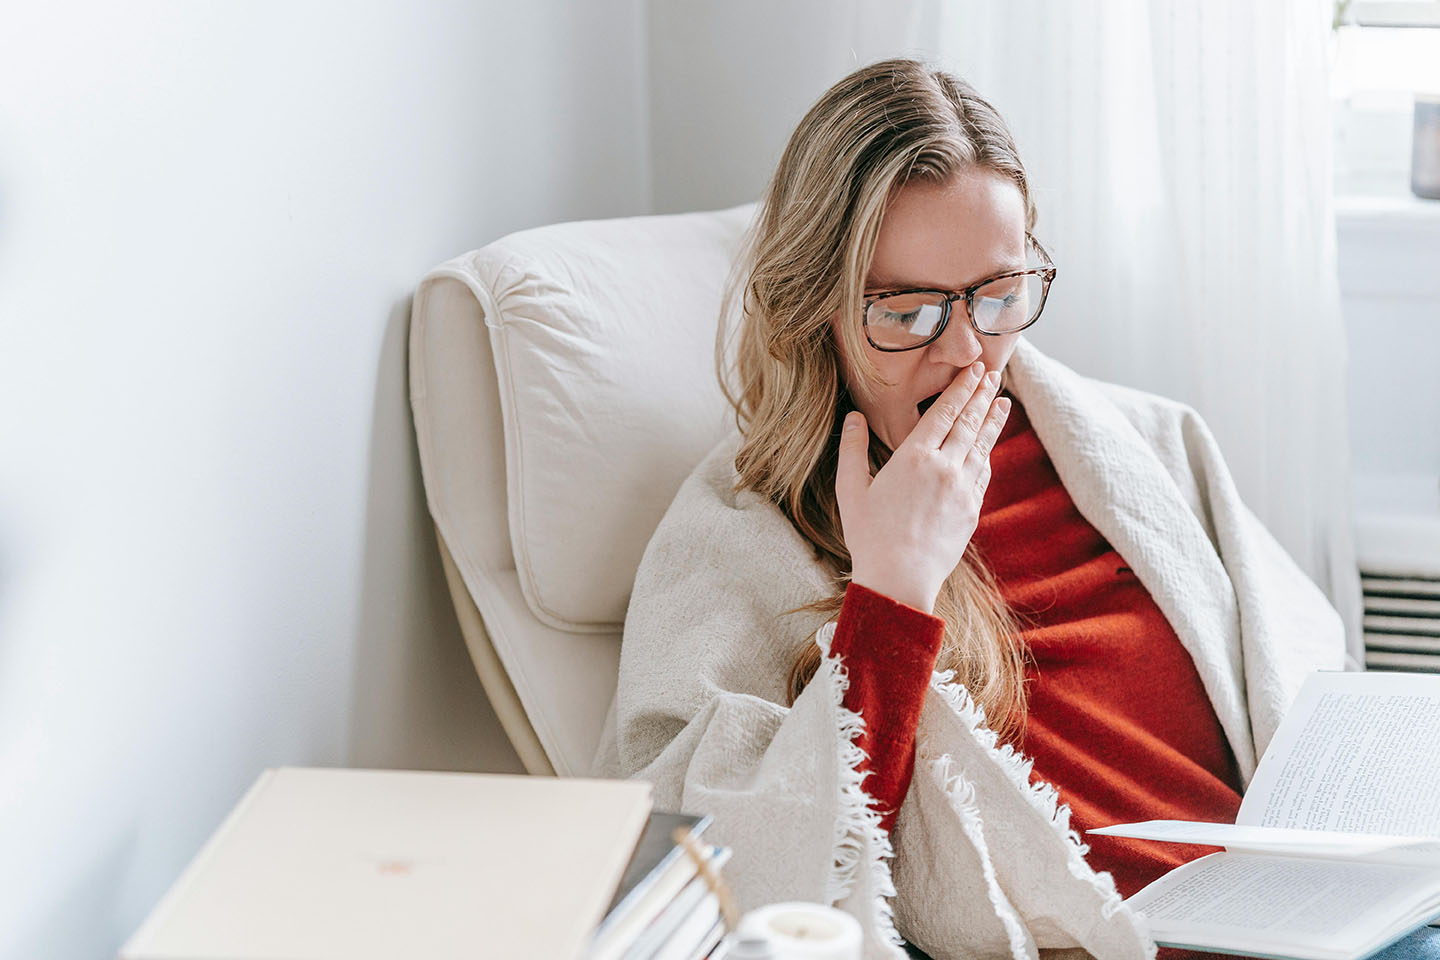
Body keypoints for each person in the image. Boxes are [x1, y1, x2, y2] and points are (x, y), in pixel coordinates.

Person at [590, 58, 1350, 960]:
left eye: (998, 296)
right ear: (814, 309)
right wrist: (893, 586)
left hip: (1307, 927)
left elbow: (1306, 691)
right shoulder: (740, 530)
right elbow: (731, 869)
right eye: (909, 311)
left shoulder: (1146, 443)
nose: (967, 355)